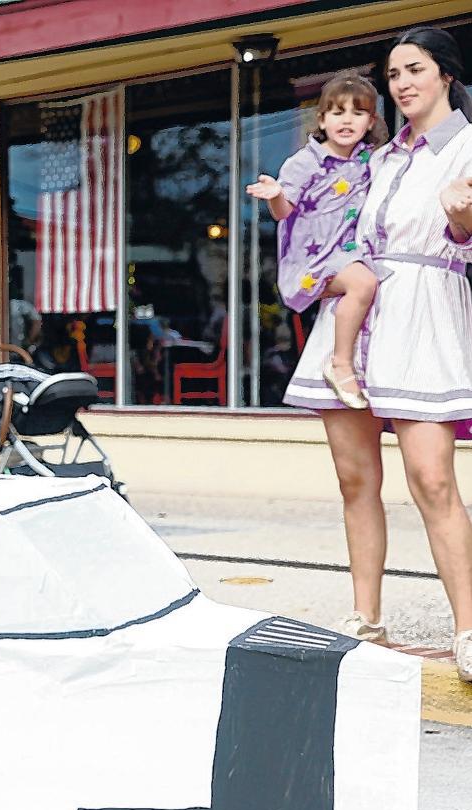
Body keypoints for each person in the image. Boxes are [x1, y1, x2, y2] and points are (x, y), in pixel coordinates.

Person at [282, 26, 472, 683]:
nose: (402, 84)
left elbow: (465, 234)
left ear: (446, 73)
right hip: (356, 315)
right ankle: (366, 620)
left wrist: (460, 216)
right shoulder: (377, 157)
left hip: (425, 311)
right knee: (355, 480)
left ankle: (468, 629)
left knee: (432, 479)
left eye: (414, 69)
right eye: (393, 74)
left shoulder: (468, 146)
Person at [250, 72, 387, 408]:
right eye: (338, 112)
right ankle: (340, 363)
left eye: (357, 113)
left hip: (347, 252)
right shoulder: (305, 162)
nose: (347, 120)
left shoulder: (369, 160)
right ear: (322, 120)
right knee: (364, 283)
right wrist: (276, 195)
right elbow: (284, 212)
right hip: (314, 260)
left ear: (371, 121)